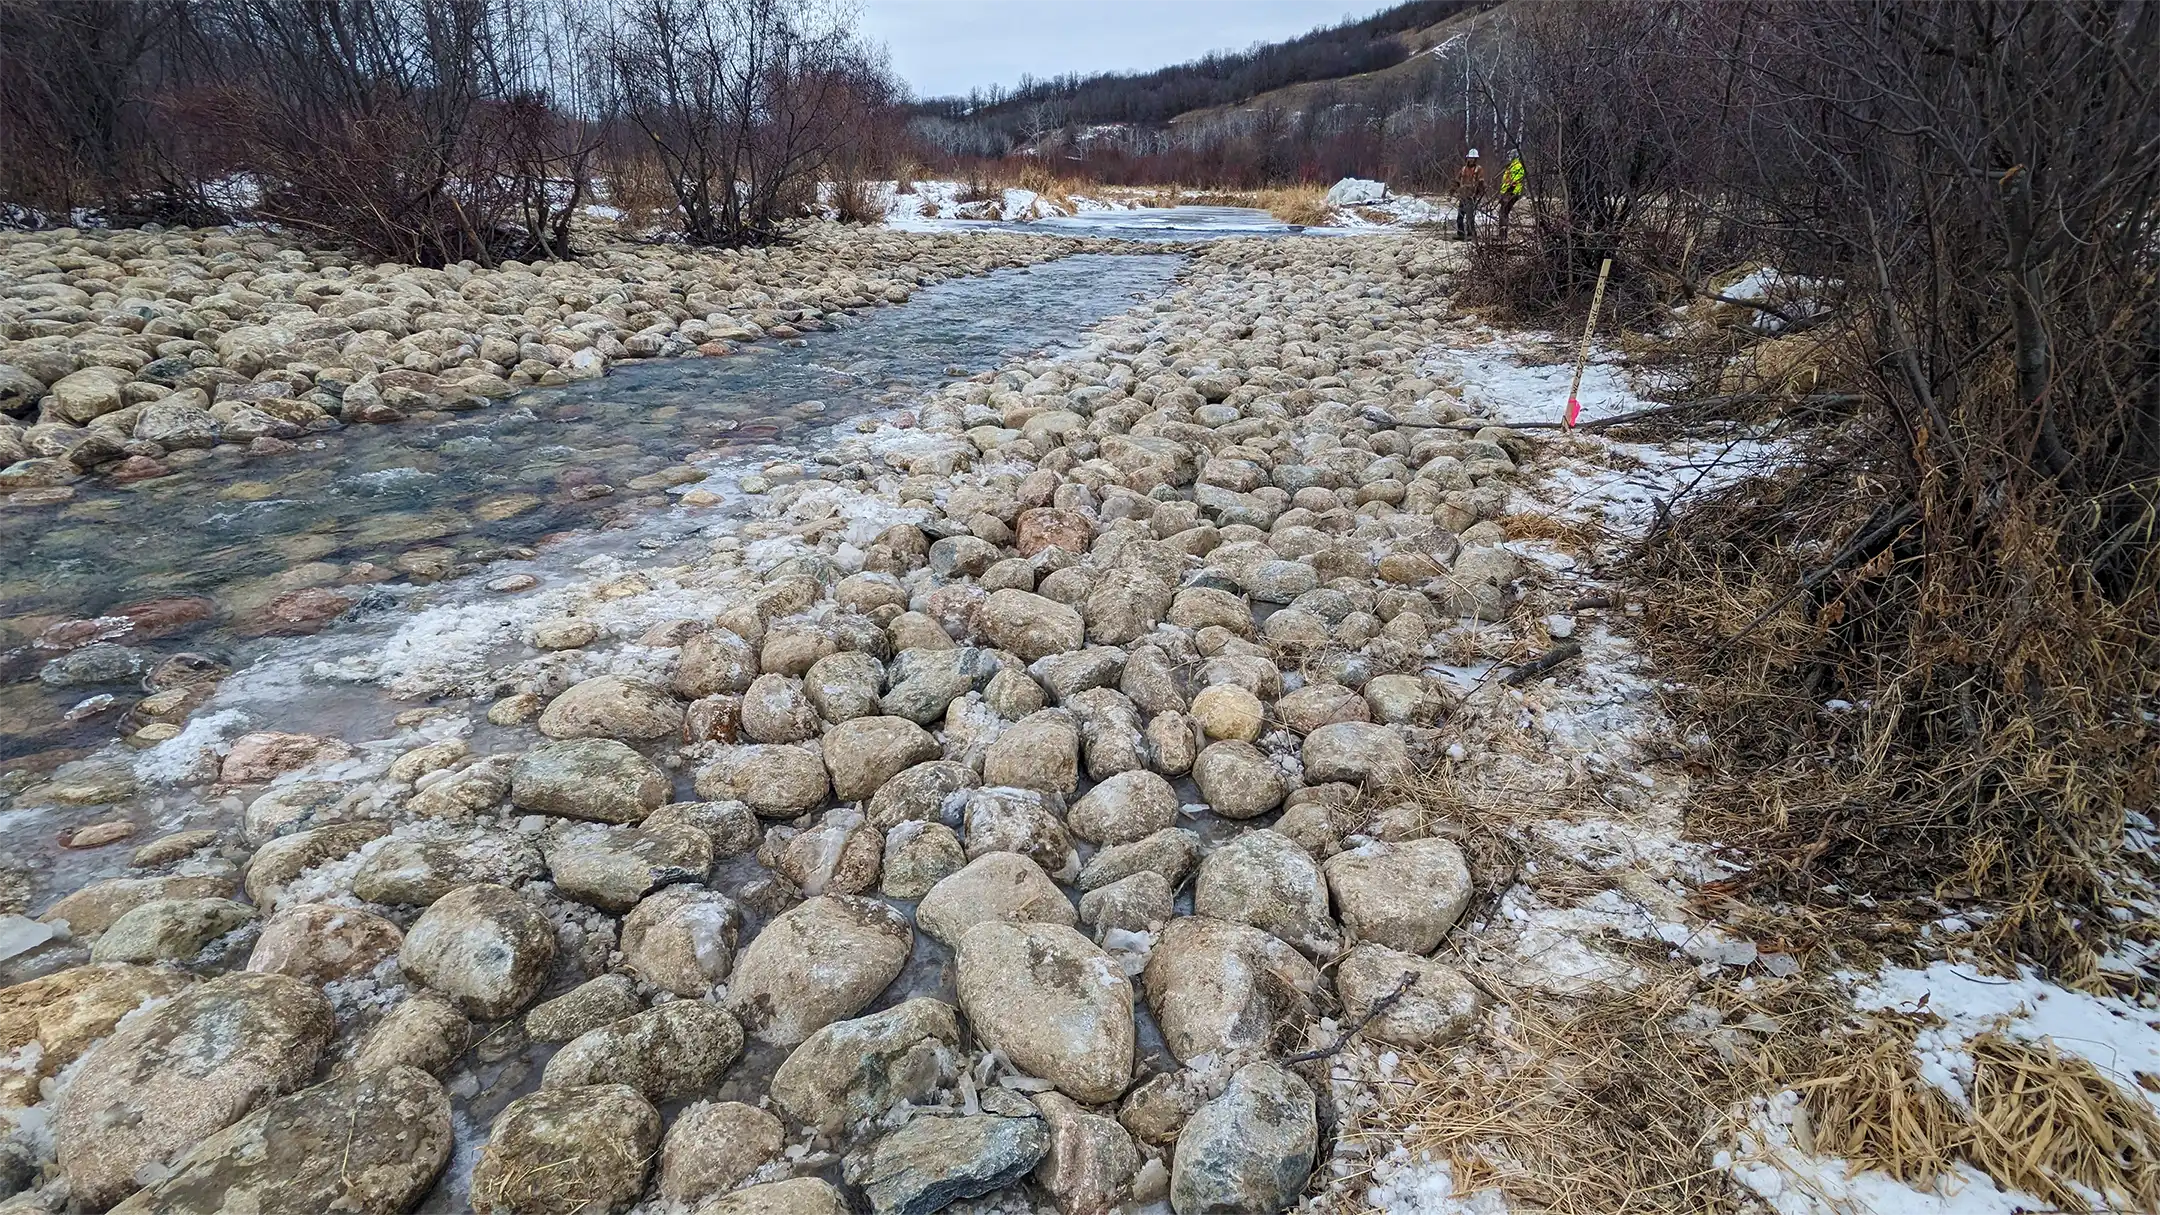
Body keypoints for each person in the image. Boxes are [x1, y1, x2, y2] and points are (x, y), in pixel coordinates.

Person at [1454, 148, 1485, 241]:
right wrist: (1451, 192)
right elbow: (1456, 181)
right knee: (1460, 217)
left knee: (1469, 217)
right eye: (1469, 158)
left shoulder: (1479, 169)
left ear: (1476, 159)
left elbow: (1481, 183)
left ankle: (1471, 235)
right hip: (1463, 196)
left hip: (1472, 196)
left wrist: (1479, 194)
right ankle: (1461, 234)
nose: (1470, 160)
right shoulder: (1463, 169)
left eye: (1473, 158)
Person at [1497, 151, 1525, 240]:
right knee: (1503, 213)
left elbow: (1515, 182)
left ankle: (1502, 236)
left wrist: (1508, 193)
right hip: (1508, 193)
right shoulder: (1511, 166)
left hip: (1511, 193)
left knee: (1503, 213)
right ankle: (1502, 234)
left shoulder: (1517, 166)